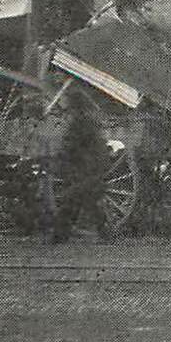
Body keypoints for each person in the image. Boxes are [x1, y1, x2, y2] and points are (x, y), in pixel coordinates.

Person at [52, 95, 111, 243]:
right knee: (86, 201)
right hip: (92, 167)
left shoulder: (78, 123)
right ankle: (105, 233)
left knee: (73, 200)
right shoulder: (92, 122)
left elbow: (69, 144)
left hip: (83, 168)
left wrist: (59, 157)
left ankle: (59, 235)